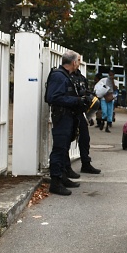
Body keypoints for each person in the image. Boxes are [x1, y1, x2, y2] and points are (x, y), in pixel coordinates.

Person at [45, 50, 91, 195]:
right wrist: (76, 100)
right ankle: (55, 182)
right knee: (59, 150)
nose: (78, 63)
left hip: (68, 117)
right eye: (77, 61)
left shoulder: (67, 76)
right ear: (73, 62)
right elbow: (52, 97)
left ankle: (63, 177)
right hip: (62, 118)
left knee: (64, 149)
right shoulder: (58, 76)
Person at [69, 60, 101, 175]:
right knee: (69, 139)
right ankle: (66, 166)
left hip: (81, 113)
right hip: (70, 112)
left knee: (85, 139)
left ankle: (86, 163)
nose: (78, 63)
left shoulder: (81, 78)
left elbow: (87, 94)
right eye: (77, 61)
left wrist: (90, 116)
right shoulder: (68, 76)